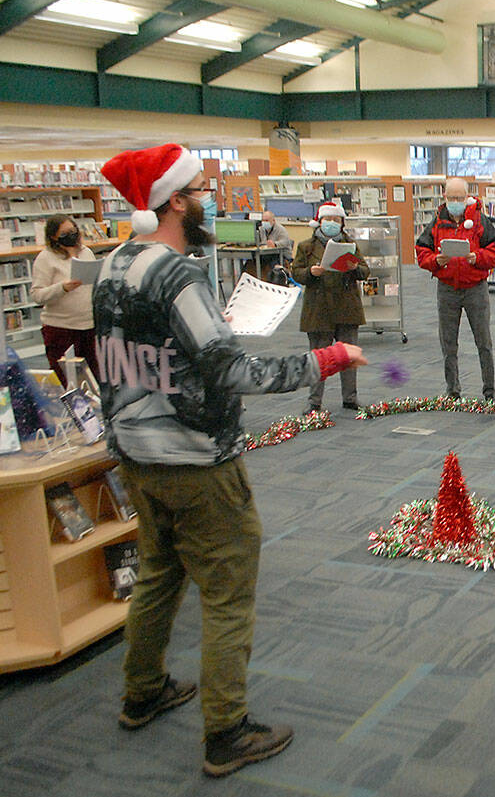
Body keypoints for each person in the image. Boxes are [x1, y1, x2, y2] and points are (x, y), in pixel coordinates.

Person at [95, 144, 366, 777]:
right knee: (226, 591)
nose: (210, 200)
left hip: (135, 455)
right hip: (195, 461)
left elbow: (137, 358)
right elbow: (231, 371)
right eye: (200, 191)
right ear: (177, 201)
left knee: (160, 572)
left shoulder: (114, 264)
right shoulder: (179, 276)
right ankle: (226, 731)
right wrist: (328, 360)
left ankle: (143, 691)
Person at [415, 177, 495, 400]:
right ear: (444, 197)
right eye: (451, 198)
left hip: (475, 288)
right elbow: (421, 252)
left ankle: (489, 390)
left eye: (459, 198)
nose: (455, 202)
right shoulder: (436, 222)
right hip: (447, 288)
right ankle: (452, 390)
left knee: (484, 341)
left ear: (467, 197)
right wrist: (436, 261)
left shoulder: (480, 220)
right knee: (448, 342)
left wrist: (477, 257)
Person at [291, 201, 368, 412]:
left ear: (342, 223)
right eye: (328, 220)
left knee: (349, 356)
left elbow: (365, 271)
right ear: (319, 221)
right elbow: (296, 273)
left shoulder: (350, 244)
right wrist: (311, 273)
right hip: (319, 309)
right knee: (318, 358)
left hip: (346, 308)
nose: (332, 224)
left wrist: (354, 268)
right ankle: (314, 402)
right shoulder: (306, 247)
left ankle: (350, 398)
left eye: (336, 220)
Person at [30, 214, 98, 386]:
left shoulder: (86, 253)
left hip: (89, 326)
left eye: (73, 230)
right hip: (61, 329)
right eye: (66, 232)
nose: (72, 235)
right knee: (67, 380)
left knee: (94, 377)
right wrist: (62, 288)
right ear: (54, 236)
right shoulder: (46, 258)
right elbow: (37, 295)